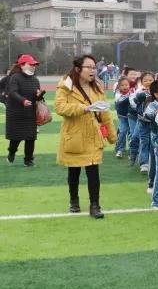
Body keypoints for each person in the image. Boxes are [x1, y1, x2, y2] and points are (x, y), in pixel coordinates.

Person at [54, 55, 117, 218]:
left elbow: (105, 113)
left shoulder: (97, 87)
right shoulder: (66, 86)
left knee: (93, 172)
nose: (92, 70)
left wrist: (112, 135)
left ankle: (95, 205)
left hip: (93, 136)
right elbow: (60, 108)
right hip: (74, 136)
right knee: (73, 172)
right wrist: (84, 108)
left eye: (94, 67)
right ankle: (74, 201)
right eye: (88, 67)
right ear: (78, 69)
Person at [5, 54, 44, 166]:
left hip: (30, 113)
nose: (33, 66)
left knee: (31, 137)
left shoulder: (35, 80)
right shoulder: (15, 77)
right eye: (30, 64)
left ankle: (28, 160)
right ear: (22, 65)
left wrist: (40, 95)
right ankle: (11, 153)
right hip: (16, 114)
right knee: (15, 138)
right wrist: (23, 101)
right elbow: (13, 92)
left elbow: (37, 98)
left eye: (34, 65)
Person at [113, 76, 132, 158]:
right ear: (119, 86)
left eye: (126, 85)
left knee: (131, 134)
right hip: (122, 117)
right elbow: (121, 101)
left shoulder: (132, 92)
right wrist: (130, 96)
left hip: (131, 117)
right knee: (123, 131)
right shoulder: (118, 94)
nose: (125, 87)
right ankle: (120, 149)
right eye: (122, 85)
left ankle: (132, 151)